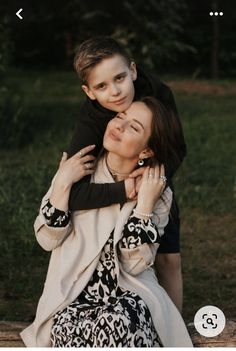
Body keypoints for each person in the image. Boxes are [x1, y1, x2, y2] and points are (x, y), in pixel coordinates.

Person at [20, 97, 192, 347]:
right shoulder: (79, 171)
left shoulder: (157, 191)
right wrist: (63, 182)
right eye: (120, 117)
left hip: (131, 296)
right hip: (72, 296)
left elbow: (134, 266)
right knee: (77, 329)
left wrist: (143, 206)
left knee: (118, 323)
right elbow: (47, 238)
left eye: (134, 127)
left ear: (146, 150)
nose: (119, 126)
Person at [66, 36, 185, 312]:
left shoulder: (158, 92)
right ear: (89, 92)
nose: (116, 92)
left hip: (153, 177)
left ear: (132, 70)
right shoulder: (90, 122)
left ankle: (176, 325)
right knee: (116, 262)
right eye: (102, 86)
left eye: (120, 78)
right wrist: (125, 190)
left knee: (169, 259)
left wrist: (153, 183)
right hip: (107, 187)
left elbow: (176, 148)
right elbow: (72, 192)